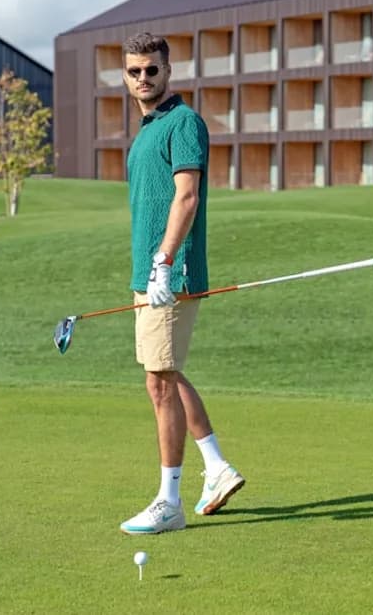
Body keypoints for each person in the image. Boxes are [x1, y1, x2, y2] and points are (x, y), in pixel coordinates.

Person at [118, 32, 245, 535]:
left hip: (170, 274)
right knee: (164, 372)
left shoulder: (184, 123)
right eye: (134, 71)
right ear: (125, 76)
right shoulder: (147, 130)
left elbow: (186, 198)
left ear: (168, 71)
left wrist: (165, 262)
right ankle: (216, 468)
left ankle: (169, 502)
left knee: (159, 381)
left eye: (152, 69)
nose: (143, 78)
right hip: (148, 275)